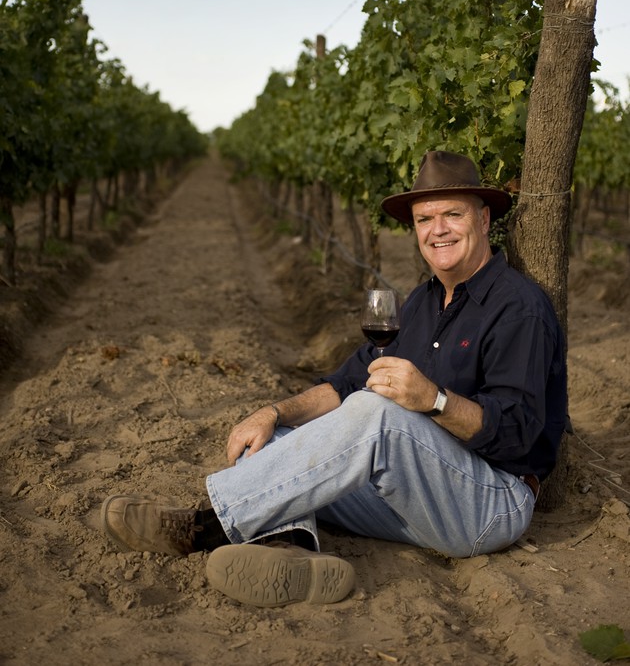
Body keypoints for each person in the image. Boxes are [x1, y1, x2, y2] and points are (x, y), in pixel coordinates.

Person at [101, 150, 568, 608]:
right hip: (414, 494)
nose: (438, 229)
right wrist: (274, 413)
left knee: (375, 413)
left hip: (486, 505)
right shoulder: (422, 303)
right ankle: (290, 551)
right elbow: (347, 382)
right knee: (277, 440)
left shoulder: (518, 308)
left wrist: (433, 400)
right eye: (425, 220)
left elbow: (517, 434)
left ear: (484, 221)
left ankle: (202, 528)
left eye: (452, 215)